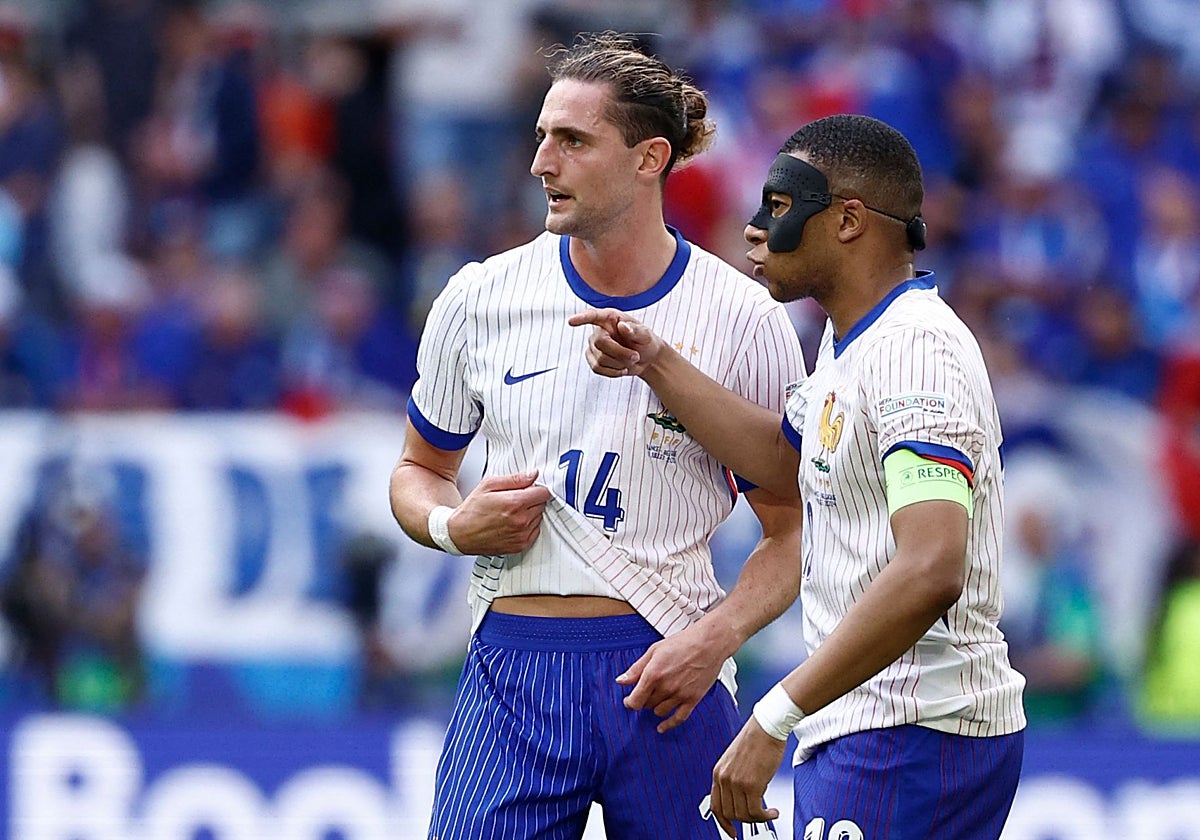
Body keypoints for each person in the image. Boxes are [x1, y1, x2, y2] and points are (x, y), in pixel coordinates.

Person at [389, 33, 807, 840]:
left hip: (668, 670)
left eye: (572, 141)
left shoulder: (743, 316)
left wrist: (713, 640)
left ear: (650, 158)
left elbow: (790, 532)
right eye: (541, 136)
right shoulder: (480, 297)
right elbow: (417, 467)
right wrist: (451, 524)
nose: (542, 162)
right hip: (511, 670)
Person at [572, 113, 1027, 839]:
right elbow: (786, 461)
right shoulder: (851, 343)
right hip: (876, 725)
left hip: (913, 732)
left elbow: (934, 565)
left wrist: (775, 713)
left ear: (848, 220)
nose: (755, 229)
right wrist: (654, 361)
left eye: (780, 207)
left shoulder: (917, 355)